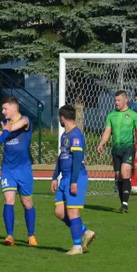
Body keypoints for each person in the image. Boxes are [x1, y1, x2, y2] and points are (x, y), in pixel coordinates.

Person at [0, 97, 37, 247]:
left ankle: (31, 236)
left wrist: (4, 131)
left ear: (14, 109)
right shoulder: (5, 124)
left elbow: (21, 124)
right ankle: (10, 235)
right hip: (8, 169)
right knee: (9, 200)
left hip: (24, 169)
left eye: (5, 109)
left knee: (27, 202)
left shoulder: (25, 120)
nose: (3, 112)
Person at [51, 104, 96, 255]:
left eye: (60, 118)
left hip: (75, 177)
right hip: (64, 178)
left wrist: (74, 182)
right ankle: (85, 231)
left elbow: (77, 160)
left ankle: (77, 246)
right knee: (59, 212)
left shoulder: (76, 135)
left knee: (73, 213)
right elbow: (61, 157)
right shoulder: (65, 135)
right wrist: (54, 177)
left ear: (62, 118)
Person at [97, 90, 137, 213]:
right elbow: (107, 131)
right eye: (115, 100)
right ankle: (122, 202)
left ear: (125, 100)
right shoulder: (111, 115)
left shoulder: (134, 115)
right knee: (118, 176)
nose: (116, 103)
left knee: (125, 173)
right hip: (116, 149)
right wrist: (102, 143)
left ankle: (125, 203)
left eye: (119, 100)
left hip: (128, 148)